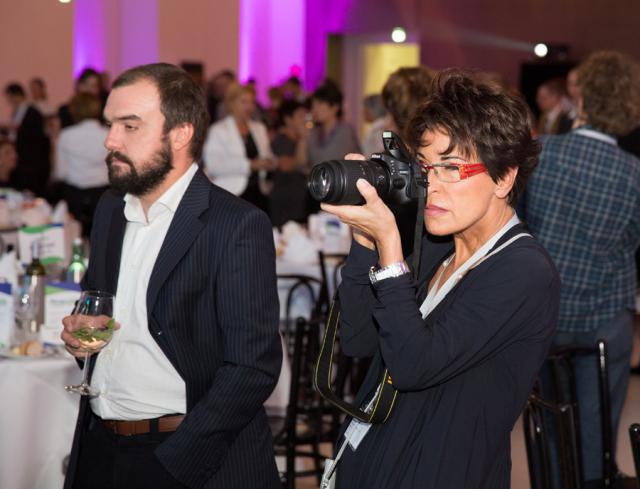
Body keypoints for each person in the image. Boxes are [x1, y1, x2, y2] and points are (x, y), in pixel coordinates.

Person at [321, 69, 560, 489]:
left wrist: (391, 247)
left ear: (504, 178)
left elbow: (414, 365)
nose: (430, 186)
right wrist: (365, 243)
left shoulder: (525, 271)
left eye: (451, 168)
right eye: (425, 167)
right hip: (372, 461)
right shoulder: (437, 247)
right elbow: (359, 341)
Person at [60, 63, 282, 489]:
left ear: (180, 134)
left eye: (130, 126)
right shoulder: (110, 210)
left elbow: (253, 367)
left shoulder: (234, 224)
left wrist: (179, 460)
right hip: (101, 450)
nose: (110, 141)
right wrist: (81, 333)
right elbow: (101, 308)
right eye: (111, 125)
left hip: (185, 455)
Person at [521, 50, 640, 485]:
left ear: (582, 99)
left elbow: (521, 230)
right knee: (596, 423)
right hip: (604, 319)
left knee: (550, 415)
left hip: (547, 312)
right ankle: (592, 476)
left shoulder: (543, 153)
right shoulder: (634, 173)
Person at [202, 82, 273, 212]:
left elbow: (268, 155)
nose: (249, 107)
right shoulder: (219, 130)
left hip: (259, 194)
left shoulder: (259, 128)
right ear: (231, 103)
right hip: (231, 195)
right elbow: (213, 166)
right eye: (244, 102)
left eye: (252, 102)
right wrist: (250, 165)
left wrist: (269, 162)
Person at [54, 93, 109, 237]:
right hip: (103, 193)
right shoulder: (107, 134)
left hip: (75, 195)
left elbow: (61, 172)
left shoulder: (66, 135)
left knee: (76, 236)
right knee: (101, 236)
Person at [3, 82, 51, 196]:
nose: (9, 101)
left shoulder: (32, 112)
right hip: (23, 161)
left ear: (17, 95)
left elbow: (36, 139)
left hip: (31, 162)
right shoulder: (18, 112)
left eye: (10, 97)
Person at [269, 99, 310, 227]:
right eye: (300, 116)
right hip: (285, 201)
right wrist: (303, 139)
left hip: (297, 198)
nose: (304, 120)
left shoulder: (297, 139)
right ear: (288, 119)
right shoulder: (282, 140)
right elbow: (287, 165)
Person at [307, 81, 360, 169]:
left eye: (319, 104)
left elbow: (326, 161)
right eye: (313, 106)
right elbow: (303, 164)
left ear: (334, 107)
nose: (315, 110)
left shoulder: (345, 131)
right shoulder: (315, 132)